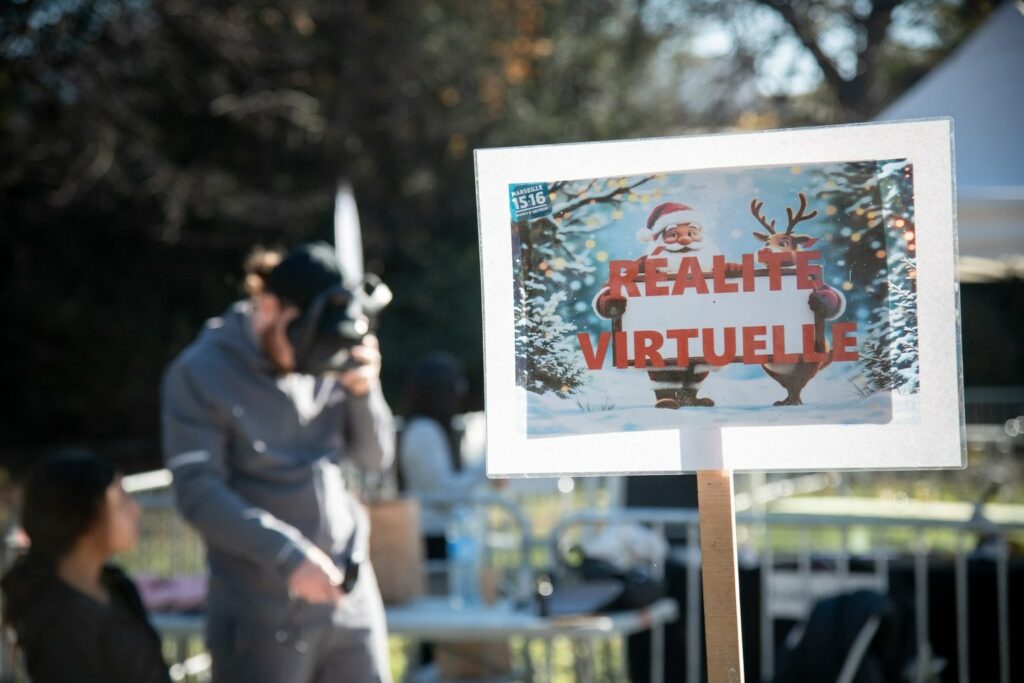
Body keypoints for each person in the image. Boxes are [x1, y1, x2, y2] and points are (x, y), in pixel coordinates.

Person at [161, 242, 395, 683]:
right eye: (305, 340)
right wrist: (288, 555)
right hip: (263, 611)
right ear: (269, 307)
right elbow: (197, 492)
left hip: (350, 596)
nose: (310, 364)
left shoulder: (330, 354)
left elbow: (374, 457)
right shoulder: (199, 373)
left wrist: (365, 393)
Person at [0, 453, 171, 683]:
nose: (136, 509)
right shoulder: (59, 623)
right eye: (122, 501)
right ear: (86, 517)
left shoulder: (117, 586)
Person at [398, 353, 486, 560]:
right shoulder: (423, 431)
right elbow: (443, 491)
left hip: (435, 532)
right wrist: (488, 467)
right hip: (430, 535)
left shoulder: (426, 428)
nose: (461, 391)